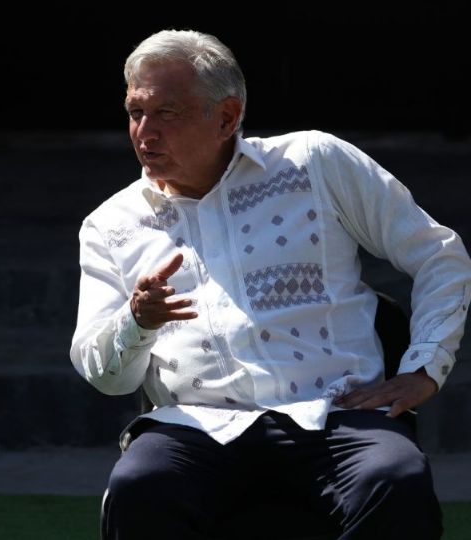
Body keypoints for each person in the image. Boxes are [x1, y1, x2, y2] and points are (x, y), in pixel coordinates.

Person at [71, 29, 469, 539]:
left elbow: (438, 253)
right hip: (195, 425)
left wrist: (425, 368)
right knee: (139, 487)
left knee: (394, 477)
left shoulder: (314, 163)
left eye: (166, 113)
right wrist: (137, 321)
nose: (144, 133)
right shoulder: (111, 224)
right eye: (135, 112)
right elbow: (106, 376)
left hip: (336, 415)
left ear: (228, 116)